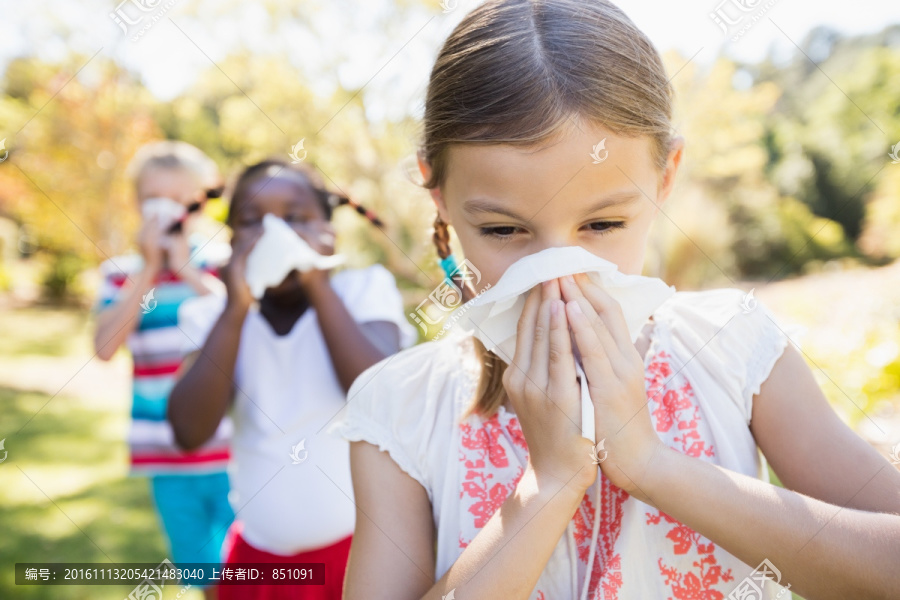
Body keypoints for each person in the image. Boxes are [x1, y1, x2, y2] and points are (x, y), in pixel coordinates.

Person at [328, 1, 900, 599]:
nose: (557, 277)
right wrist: (547, 488)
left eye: (601, 225)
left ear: (665, 176)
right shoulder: (399, 410)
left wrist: (652, 465)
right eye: (503, 231)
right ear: (439, 194)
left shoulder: (735, 349)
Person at [168, 159, 415, 600]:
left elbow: (380, 399)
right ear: (231, 241)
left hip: (358, 557)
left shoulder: (362, 292)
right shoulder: (212, 316)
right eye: (252, 221)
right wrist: (235, 308)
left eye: (296, 218)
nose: (274, 232)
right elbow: (189, 431)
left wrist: (319, 285)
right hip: (257, 563)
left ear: (329, 231)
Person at [93, 140, 234, 600]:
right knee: (203, 574)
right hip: (165, 455)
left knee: (248, 570)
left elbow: (239, 319)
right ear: (138, 204)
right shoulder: (120, 275)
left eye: (182, 199)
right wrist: (150, 269)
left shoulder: (218, 267)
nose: (170, 211)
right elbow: (105, 346)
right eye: (157, 198)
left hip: (233, 448)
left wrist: (186, 269)